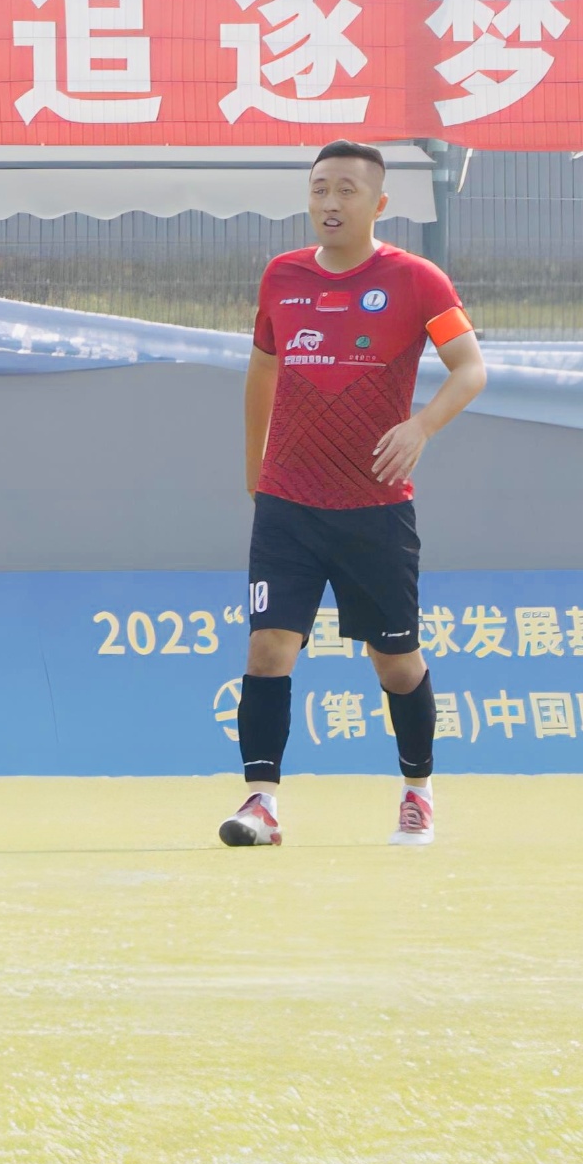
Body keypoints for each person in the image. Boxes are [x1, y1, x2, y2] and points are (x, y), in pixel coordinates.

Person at [222, 140, 488, 851]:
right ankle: (260, 803)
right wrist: (256, 474)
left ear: (378, 203)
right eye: (318, 190)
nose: (329, 203)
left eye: (345, 190)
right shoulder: (280, 278)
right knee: (267, 649)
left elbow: (468, 369)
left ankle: (417, 793)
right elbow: (260, 377)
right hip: (287, 506)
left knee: (394, 662)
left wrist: (421, 425)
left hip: (374, 510)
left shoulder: (416, 280)